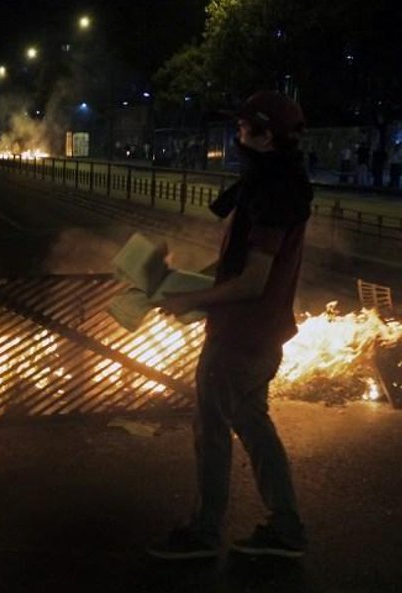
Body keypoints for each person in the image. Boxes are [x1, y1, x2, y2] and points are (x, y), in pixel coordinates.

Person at [147, 90, 311, 560]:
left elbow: (253, 282)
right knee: (253, 424)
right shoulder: (276, 181)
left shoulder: (273, 192)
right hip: (262, 334)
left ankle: (203, 532)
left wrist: (190, 299)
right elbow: (238, 269)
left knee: (211, 428)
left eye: (243, 128)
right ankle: (287, 528)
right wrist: (177, 279)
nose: (237, 135)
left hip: (241, 337)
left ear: (264, 135)